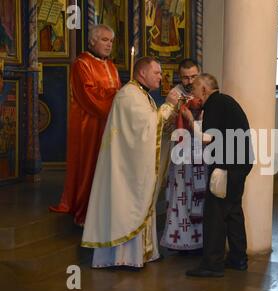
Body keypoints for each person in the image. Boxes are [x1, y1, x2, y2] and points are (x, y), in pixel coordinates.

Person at [81, 57, 179, 268]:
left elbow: (152, 129)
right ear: (142, 73)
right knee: (127, 208)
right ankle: (121, 257)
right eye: (157, 73)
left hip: (131, 166)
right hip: (125, 170)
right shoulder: (129, 95)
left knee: (137, 206)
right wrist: (169, 105)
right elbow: (148, 127)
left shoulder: (142, 95)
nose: (161, 77)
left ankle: (140, 254)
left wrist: (170, 120)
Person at [49, 24, 121, 226]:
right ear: (92, 41)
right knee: (88, 166)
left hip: (108, 124)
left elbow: (118, 94)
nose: (109, 45)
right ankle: (84, 212)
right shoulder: (82, 64)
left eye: (111, 41)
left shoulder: (112, 66)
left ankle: (103, 210)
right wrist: (115, 102)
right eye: (104, 40)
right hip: (88, 125)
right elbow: (88, 96)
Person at [184, 74, 253, 277]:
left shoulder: (214, 104)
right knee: (233, 212)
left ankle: (212, 264)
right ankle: (238, 259)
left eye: (195, 90)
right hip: (240, 165)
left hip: (226, 167)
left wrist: (190, 121)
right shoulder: (226, 101)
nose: (193, 95)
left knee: (215, 214)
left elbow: (208, 139)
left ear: (204, 90)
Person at [160, 59, 207, 253]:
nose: (189, 81)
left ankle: (202, 241)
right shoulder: (173, 95)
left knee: (201, 197)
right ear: (180, 77)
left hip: (202, 156)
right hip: (180, 156)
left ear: (200, 74)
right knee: (180, 198)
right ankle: (180, 242)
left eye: (193, 76)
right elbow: (166, 127)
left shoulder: (206, 91)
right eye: (185, 77)